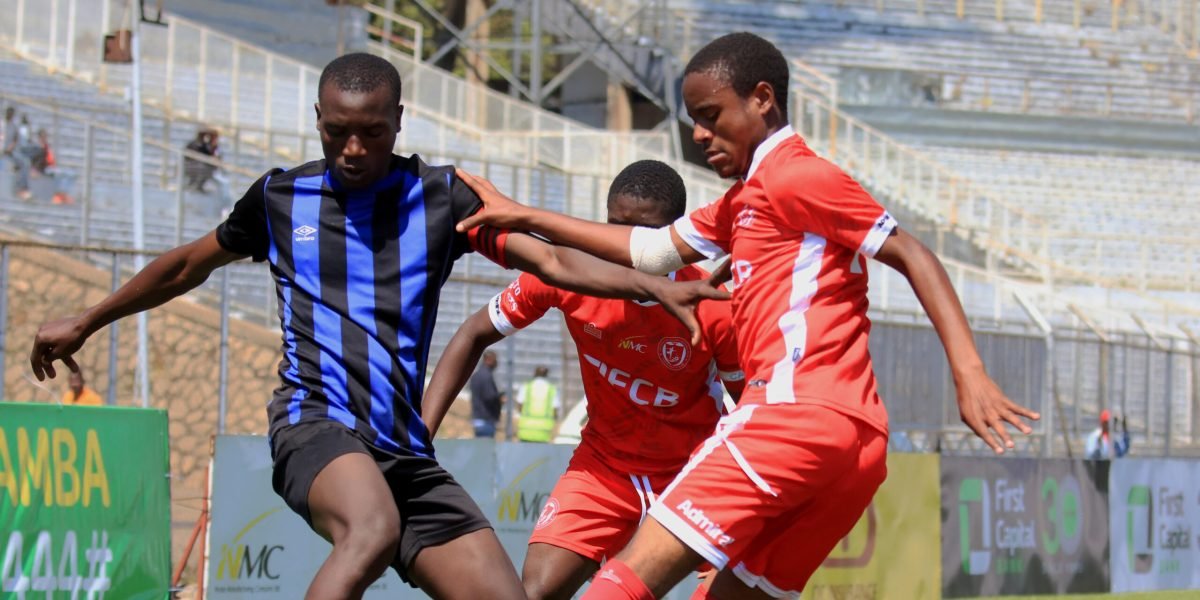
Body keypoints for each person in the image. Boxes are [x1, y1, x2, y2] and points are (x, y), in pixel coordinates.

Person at [29, 52, 725, 600]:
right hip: (315, 423)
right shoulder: (279, 197)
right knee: (370, 528)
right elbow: (186, 266)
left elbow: (549, 261)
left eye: (372, 131)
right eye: (337, 132)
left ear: (400, 119)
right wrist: (89, 320)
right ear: (318, 120)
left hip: (400, 449)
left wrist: (650, 286)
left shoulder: (445, 198)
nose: (354, 148)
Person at [453, 32, 1040, 599]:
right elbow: (647, 251)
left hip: (789, 415)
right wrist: (521, 214)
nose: (701, 135)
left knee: (622, 583)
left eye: (712, 115)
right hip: (856, 445)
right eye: (694, 121)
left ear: (763, 99)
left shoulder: (796, 175)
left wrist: (969, 373)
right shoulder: (743, 202)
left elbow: (912, 251)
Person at [423, 159, 744, 600]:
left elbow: (749, 409)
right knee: (532, 593)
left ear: (674, 238)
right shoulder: (569, 275)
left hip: (692, 475)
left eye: (643, 235)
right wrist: (420, 436)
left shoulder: (713, 303)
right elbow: (473, 333)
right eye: (614, 227)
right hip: (604, 470)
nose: (622, 246)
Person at [515, 366, 560, 443]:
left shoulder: (526, 387)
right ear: (546, 375)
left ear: (534, 374)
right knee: (540, 454)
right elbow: (555, 410)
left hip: (526, 430)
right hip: (544, 431)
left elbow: (519, 406)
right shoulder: (551, 389)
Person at [31, 128, 76, 205]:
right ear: (39, 138)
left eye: (45, 137)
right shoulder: (37, 148)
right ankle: (60, 194)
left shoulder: (45, 146)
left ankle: (63, 193)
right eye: (43, 137)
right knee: (61, 174)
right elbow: (34, 161)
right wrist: (34, 170)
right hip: (43, 169)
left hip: (49, 168)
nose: (45, 138)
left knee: (70, 174)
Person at [469, 350, 505, 438]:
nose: (496, 363)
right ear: (489, 359)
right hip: (485, 419)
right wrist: (500, 399)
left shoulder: (477, 375)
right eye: (495, 360)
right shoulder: (486, 376)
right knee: (484, 449)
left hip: (479, 416)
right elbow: (489, 396)